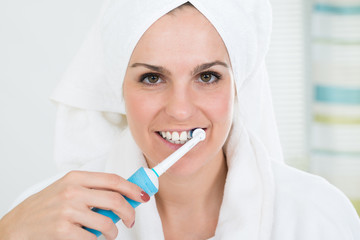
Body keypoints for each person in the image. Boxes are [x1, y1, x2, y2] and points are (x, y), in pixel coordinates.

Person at [0, 0, 359, 239]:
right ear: (119, 89)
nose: (181, 110)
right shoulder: (44, 220)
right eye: (152, 78)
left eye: (207, 77)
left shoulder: (318, 215)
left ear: (239, 88)